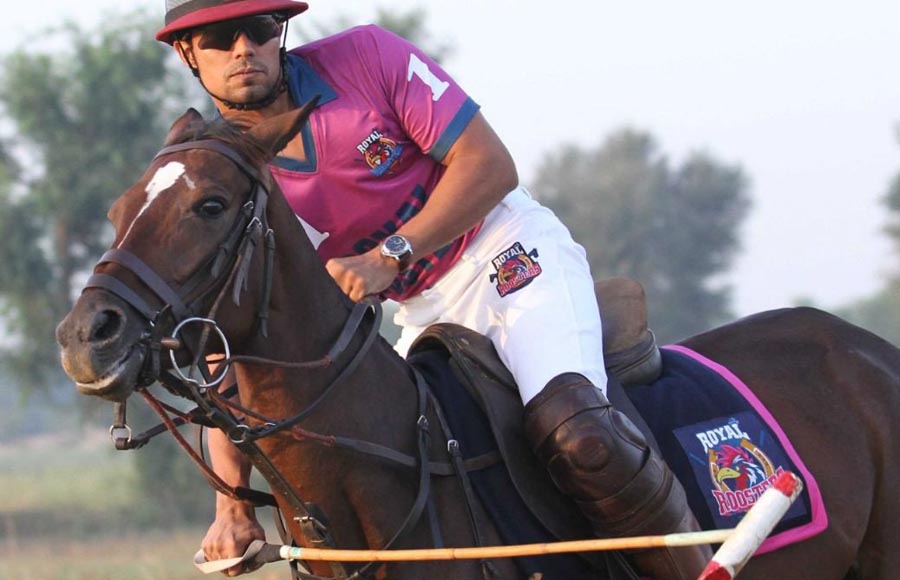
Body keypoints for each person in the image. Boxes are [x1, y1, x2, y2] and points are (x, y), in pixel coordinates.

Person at [156, 1, 710, 577]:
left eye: (261, 28)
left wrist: (388, 256)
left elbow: (490, 164)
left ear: (280, 33)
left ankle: (697, 568)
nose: (245, 47)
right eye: (221, 36)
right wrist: (232, 504)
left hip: (508, 255)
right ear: (187, 51)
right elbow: (230, 344)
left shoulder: (367, 57)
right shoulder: (220, 178)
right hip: (423, 314)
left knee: (578, 431)